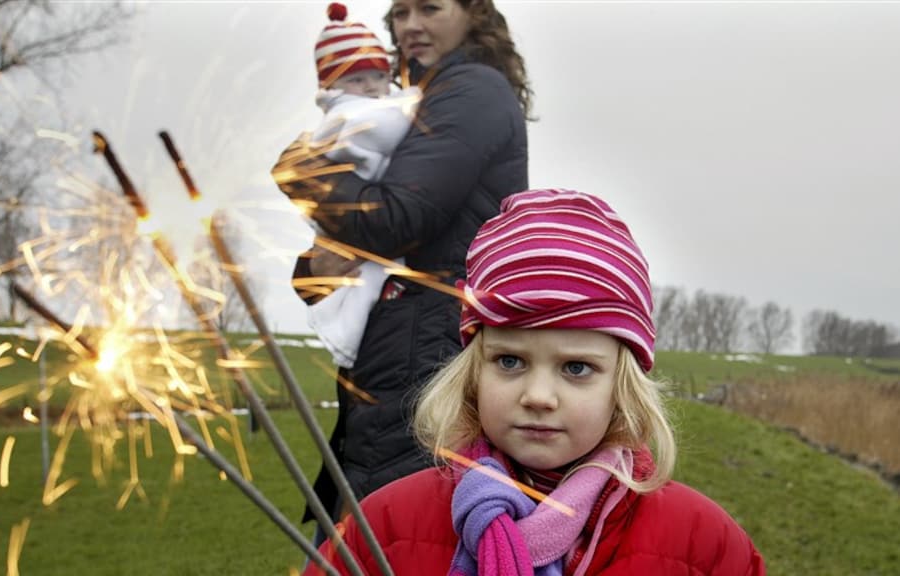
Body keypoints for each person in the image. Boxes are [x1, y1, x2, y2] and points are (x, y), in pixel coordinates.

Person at [303, 189, 767, 575]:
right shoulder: (386, 527)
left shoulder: (703, 544)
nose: (538, 397)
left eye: (576, 368)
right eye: (509, 361)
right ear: (473, 373)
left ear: (622, 387)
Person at [272, 0, 532, 540]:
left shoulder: (471, 92)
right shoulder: (416, 101)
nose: (411, 25)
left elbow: (397, 217)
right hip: (401, 338)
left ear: (473, 14)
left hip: (429, 342)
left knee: (389, 529)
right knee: (368, 521)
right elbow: (379, 240)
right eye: (401, 12)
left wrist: (303, 172)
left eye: (431, 8)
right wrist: (315, 269)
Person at [303, 2, 423, 370]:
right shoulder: (350, 114)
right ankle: (346, 336)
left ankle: (347, 336)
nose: (371, 88)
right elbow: (385, 126)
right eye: (356, 79)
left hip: (371, 233)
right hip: (362, 235)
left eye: (378, 76)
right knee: (362, 289)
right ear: (332, 86)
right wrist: (421, 103)